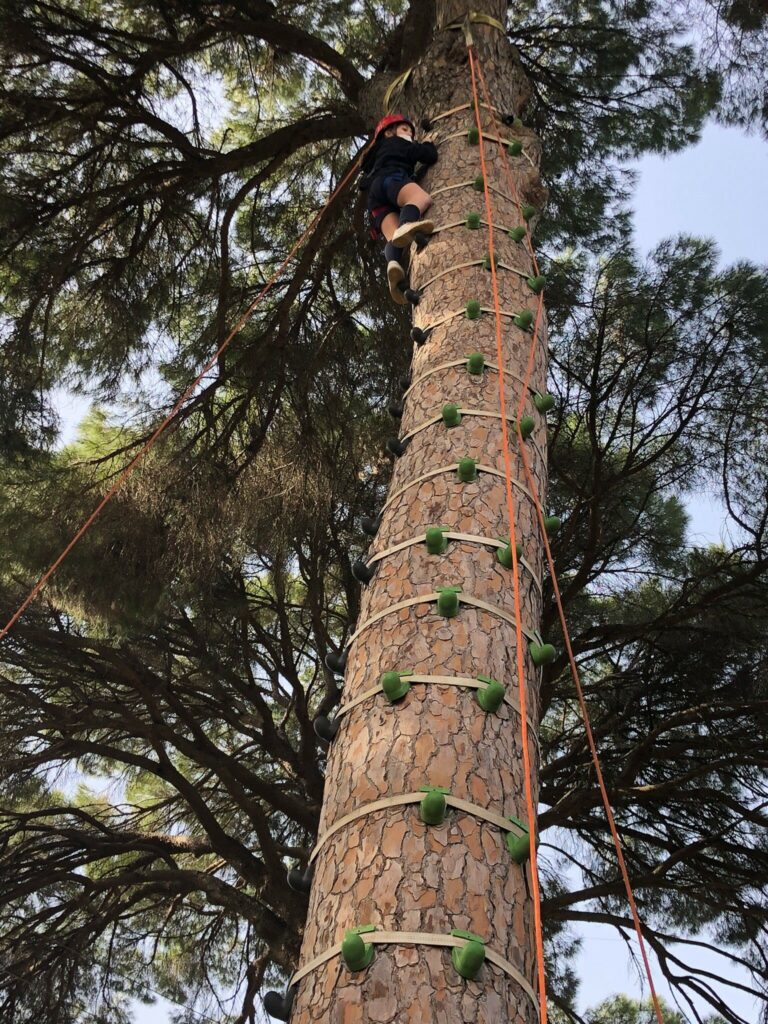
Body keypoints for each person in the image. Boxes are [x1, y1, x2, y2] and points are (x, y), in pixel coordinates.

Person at [359, 113, 438, 304]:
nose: (410, 134)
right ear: (388, 133)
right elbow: (429, 156)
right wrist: (427, 143)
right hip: (391, 179)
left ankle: (394, 266)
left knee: (393, 237)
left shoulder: (374, 158)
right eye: (405, 129)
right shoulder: (398, 143)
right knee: (420, 198)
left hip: (375, 198)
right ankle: (406, 223)